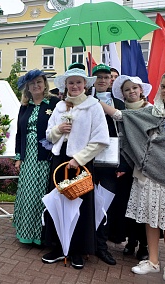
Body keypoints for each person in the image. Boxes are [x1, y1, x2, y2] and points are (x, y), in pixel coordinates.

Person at [100, 70, 165, 283]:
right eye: (164, 86)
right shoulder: (155, 111)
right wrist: (94, 102)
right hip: (149, 174)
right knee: (150, 219)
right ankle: (152, 261)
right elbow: (122, 116)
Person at [42, 68, 110, 269]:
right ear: (65, 86)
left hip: (80, 163)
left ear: (85, 85)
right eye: (70, 83)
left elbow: (100, 140)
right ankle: (57, 247)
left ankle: (78, 250)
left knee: (79, 207)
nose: (74, 86)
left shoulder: (93, 106)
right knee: (58, 204)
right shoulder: (60, 107)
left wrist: (79, 159)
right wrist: (58, 130)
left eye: (78, 82)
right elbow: (48, 134)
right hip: (60, 161)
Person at [13, 69, 60, 245]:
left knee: (42, 195)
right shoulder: (25, 106)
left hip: (45, 157)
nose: (36, 85)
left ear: (45, 84)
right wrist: (19, 157)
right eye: (32, 83)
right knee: (28, 195)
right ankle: (26, 233)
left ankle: (42, 236)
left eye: (39, 82)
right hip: (28, 158)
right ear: (27, 87)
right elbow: (20, 133)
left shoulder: (54, 103)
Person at [109, 75, 152, 262]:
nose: (131, 92)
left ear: (141, 90)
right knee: (129, 206)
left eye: (135, 88)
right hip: (128, 166)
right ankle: (131, 242)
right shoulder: (122, 112)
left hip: (147, 167)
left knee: (145, 208)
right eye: (127, 89)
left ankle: (145, 245)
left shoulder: (152, 111)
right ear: (123, 93)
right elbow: (122, 142)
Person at [91, 64, 125, 266]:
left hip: (110, 163)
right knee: (86, 204)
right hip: (89, 161)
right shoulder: (86, 101)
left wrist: (123, 164)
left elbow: (126, 135)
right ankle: (86, 243)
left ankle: (101, 246)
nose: (102, 80)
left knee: (104, 206)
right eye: (98, 77)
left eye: (106, 77)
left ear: (111, 80)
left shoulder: (119, 104)